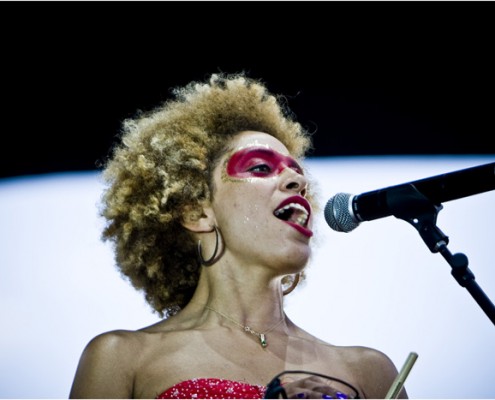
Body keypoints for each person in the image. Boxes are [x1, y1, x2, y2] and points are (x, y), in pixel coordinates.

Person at [69, 72, 408, 399]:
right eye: (261, 167)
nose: (298, 183)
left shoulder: (370, 373)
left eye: (298, 175)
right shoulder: (123, 359)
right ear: (197, 212)